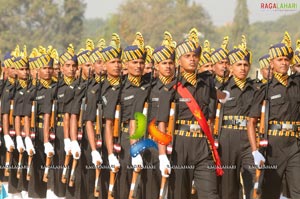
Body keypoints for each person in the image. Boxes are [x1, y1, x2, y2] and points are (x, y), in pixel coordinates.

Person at [157, 28, 229, 199]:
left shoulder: (207, 83)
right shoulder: (171, 88)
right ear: (179, 61)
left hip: (203, 145)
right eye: (187, 56)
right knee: (180, 194)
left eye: (195, 56)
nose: (192, 59)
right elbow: (162, 122)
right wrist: (162, 155)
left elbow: (224, 98)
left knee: (211, 194)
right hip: (180, 145)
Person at [247, 32, 300, 199]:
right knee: (271, 192)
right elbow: (251, 121)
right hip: (273, 146)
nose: (284, 62)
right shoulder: (266, 89)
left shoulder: (297, 85)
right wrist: (255, 151)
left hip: (295, 145)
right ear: (272, 63)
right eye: (279, 60)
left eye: (286, 59)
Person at [218, 35, 256, 199]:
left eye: (245, 64)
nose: (242, 68)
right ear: (231, 67)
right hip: (227, 138)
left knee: (253, 181)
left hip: (249, 139)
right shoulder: (221, 89)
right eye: (238, 64)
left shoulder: (256, 89)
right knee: (228, 186)